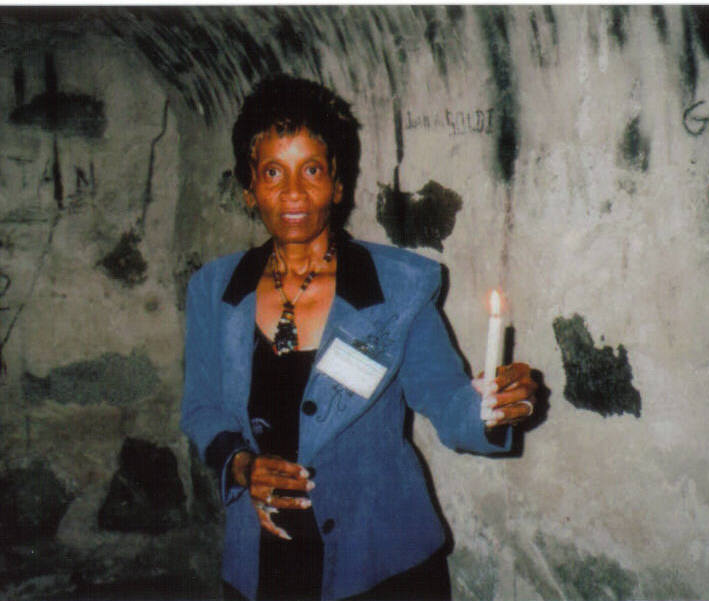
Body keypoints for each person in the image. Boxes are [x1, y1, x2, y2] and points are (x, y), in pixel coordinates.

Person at [180, 75, 537, 601]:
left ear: (338, 185)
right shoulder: (215, 289)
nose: (294, 192)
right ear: (249, 189)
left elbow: (447, 399)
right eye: (273, 172)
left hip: (380, 562)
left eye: (313, 170)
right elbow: (201, 407)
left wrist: (495, 407)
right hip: (264, 560)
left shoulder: (395, 288)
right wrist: (241, 465)